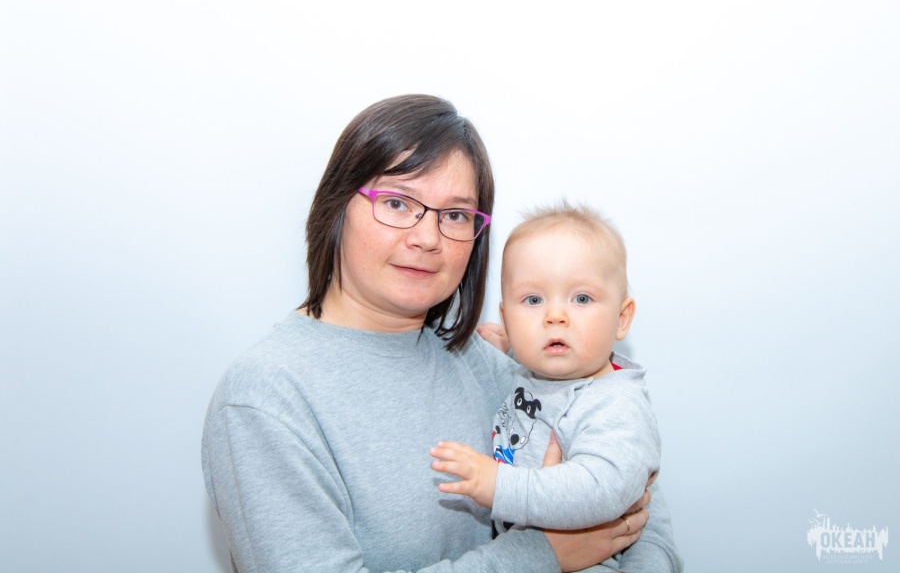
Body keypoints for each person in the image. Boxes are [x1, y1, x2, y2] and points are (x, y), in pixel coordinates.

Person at [201, 94, 682, 572]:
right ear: (336, 206)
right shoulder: (264, 397)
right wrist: (542, 554)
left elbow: (634, 494)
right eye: (396, 202)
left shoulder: (489, 364)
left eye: (454, 215)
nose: (427, 238)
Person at [431, 204, 661, 572]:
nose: (555, 316)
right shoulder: (539, 376)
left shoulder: (615, 403)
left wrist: (498, 485)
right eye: (533, 300)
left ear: (621, 318)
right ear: (507, 318)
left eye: (581, 299)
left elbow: (602, 489)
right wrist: (506, 347)